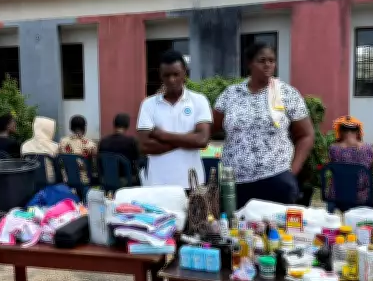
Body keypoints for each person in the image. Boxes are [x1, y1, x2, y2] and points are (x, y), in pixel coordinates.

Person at [213, 43, 314, 208]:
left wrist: (292, 171)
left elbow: (306, 135)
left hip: (276, 178)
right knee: (236, 230)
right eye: (262, 60)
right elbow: (211, 128)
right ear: (249, 64)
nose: (268, 65)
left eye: (272, 61)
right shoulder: (231, 94)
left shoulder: (286, 93)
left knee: (275, 231)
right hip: (236, 182)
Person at [136, 50, 212, 188]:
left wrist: (161, 135)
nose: (171, 80)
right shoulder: (148, 104)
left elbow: (202, 140)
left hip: (192, 183)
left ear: (185, 73)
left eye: (176, 74)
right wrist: (189, 139)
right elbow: (144, 146)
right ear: (160, 75)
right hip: (157, 183)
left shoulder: (199, 100)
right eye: (167, 75)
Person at [328, 115, 373, 206]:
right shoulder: (368, 148)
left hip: (338, 195)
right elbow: (370, 167)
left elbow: (332, 167)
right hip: (362, 196)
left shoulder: (333, 149)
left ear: (340, 132)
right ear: (358, 132)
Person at [98, 113, 140, 182]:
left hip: (107, 179)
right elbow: (137, 159)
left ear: (114, 124)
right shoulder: (131, 142)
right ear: (127, 125)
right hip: (126, 179)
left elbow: (99, 161)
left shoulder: (103, 141)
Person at [59, 115, 98, 184]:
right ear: (84, 127)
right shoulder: (90, 144)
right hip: (84, 180)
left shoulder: (62, 142)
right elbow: (95, 164)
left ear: (71, 127)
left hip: (66, 179)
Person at [21, 116, 59, 182]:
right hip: (49, 184)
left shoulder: (25, 145)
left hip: (29, 182)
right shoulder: (55, 146)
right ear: (49, 129)